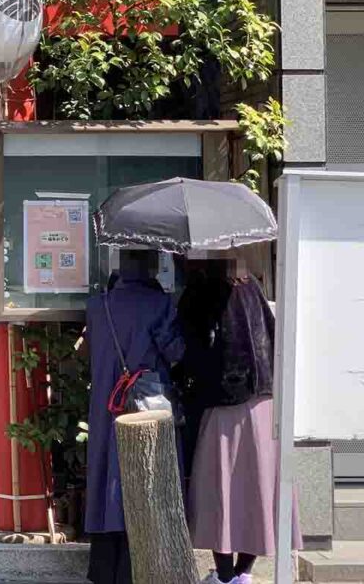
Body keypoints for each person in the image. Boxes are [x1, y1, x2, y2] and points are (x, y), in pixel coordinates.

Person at [183, 260, 296, 584]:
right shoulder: (253, 286)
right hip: (264, 399)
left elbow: (189, 345)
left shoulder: (202, 289)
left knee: (219, 490)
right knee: (258, 491)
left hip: (224, 403)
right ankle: (242, 574)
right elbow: (273, 336)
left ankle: (224, 575)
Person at [84, 250, 185, 584]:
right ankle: (134, 568)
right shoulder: (158, 304)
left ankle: (102, 568)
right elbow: (176, 352)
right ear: (152, 266)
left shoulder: (99, 305)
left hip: (105, 404)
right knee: (144, 477)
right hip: (144, 406)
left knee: (106, 476)